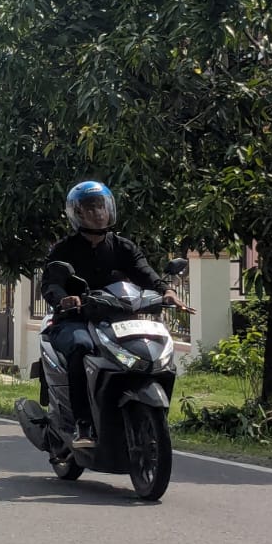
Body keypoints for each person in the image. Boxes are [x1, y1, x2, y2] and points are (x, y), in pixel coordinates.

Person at [40, 181, 191, 448]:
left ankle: (147, 418)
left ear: (109, 208)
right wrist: (64, 299)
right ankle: (83, 424)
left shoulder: (123, 247)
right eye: (90, 208)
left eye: (101, 206)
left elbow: (145, 272)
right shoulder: (64, 249)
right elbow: (51, 283)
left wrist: (167, 291)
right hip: (77, 320)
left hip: (118, 320)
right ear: (77, 213)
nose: (98, 213)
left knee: (147, 348)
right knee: (80, 347)